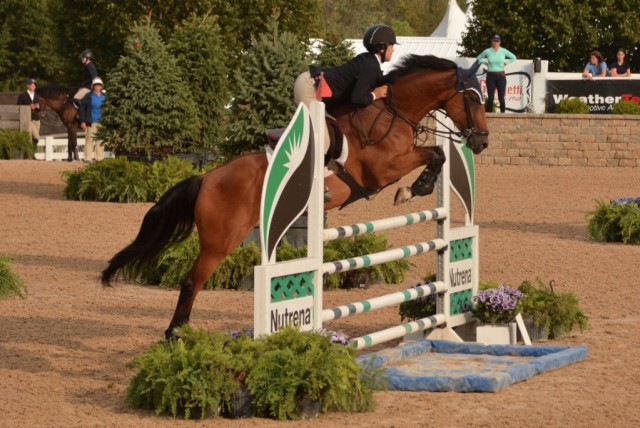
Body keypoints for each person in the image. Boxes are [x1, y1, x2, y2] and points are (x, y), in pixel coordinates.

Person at [294, 24, 397, 160]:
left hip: (312, 82)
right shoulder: (371, 66)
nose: (393, 50)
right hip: (309, 87)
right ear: (382, 47)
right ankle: (313, 179)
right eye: (392, 46)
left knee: (332, 132)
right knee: (324, 143)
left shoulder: (369, 61)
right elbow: (357, 98)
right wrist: (375, 95)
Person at [476, 34, 517, 113]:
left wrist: (506, 63)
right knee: (490, 98)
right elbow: (478, 58)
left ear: (500, 42)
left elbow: (514, 57)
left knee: (501, 97)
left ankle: (503, 116)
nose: (496, 43)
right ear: (492, 41)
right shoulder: (487, 51)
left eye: (497, 41)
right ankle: (489, 116)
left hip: (501, 76)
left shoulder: (503, 51)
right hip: (490, 76)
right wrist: (485, 62)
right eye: (494, 41)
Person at [79, 77, 106, 162]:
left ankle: (99, 158)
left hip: (102, 122)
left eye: (99, 85)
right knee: (89, 140)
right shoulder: (88, 96)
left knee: (100, 141)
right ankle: (88, 158)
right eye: (96, 85)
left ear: (101, 86)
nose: (97, 86)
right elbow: (82, 109)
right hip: (91, 122)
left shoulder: (105, 96)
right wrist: (82, 121)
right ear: (93, 86)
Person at [16, 78, 41, 146]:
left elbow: (40, 107)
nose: (33, 86)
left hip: (36, 119)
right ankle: (28, 153)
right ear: (28, 86)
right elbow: (18, 106)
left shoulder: (37, 95)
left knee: (34, 139)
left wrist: (38, 107)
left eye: (34, 85)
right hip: (28, 119)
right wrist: (28, 106)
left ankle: (32, 154)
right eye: (31, 85)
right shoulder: (22, 95)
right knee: (35, 137)